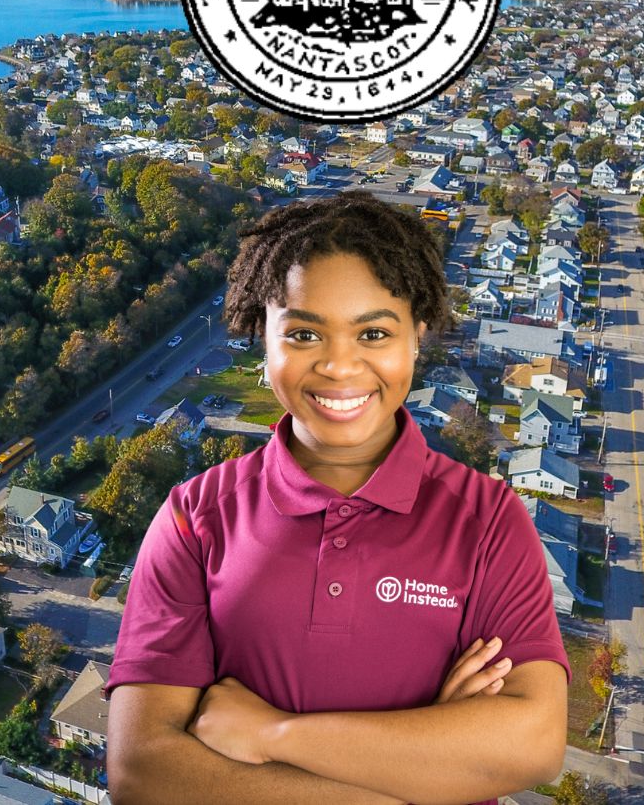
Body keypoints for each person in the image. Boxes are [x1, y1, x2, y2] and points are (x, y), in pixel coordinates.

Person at [105, 192, 569, 804]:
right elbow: (143, 774)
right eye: (303, 334)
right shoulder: (198, 518)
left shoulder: (486, 521)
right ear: (261, 336)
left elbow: (532, 743)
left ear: (416, 335)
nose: (340, 366)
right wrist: (430, 768)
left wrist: (272, 734)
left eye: (373, 332)